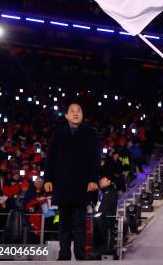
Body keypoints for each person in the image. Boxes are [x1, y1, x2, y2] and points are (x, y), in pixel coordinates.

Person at [43, 103, 100, 261]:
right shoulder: (59, 134)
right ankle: (64, 254)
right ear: (66, 115)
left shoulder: (91, 133)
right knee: (64, 223)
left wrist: (94, 180)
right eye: (72, 111)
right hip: (62, 184)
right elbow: (51, 159)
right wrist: (48, 179)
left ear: (82, 114)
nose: (76, 113)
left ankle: (80, 253)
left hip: (82, 185)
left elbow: (95, 159)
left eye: (79, 111)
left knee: (80, 222)